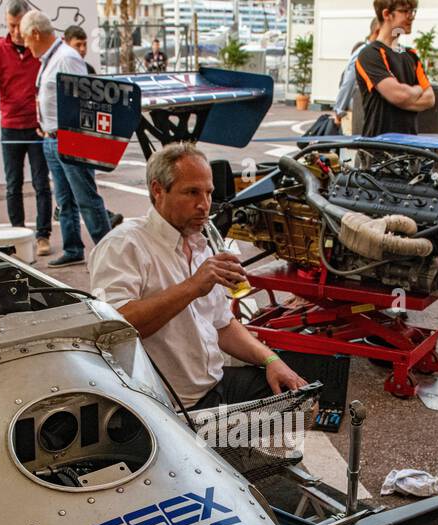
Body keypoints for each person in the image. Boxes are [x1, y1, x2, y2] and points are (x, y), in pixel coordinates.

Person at [89, 142, 307, 409]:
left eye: (208, 193)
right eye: (191, 193)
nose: (204, 205)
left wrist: (272, 361)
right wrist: (193, 286)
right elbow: (115, 329)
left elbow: (223, 325)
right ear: (158, 190)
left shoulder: (197, 243)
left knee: (299, 398)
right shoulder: (125, 245)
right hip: (164, 406)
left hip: (212, 387)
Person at [22, 10, 115, 268]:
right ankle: (73, 247)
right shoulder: (51, 59)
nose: (26, 45)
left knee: (85, 197)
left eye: (26, 39)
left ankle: (110, 254)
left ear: (36, 34)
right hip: (53, 137)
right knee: (64, 199)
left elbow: (84, 100)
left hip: (69, 138)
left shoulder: (67, 58)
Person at [0, 0, 53, 257]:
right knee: (13, 185)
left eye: (19, 26)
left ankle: (43, 236)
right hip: (10, 127)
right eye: (11, 26)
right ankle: (18, 234)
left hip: (38, 128)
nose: (16, 31)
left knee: (42, 184)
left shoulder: (39, 50)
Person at [63, 25, 125, 230]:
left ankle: (105, 231)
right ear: (67, 43)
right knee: (67, 196)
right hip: (68, 136)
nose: (82, 49)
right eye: (77, 45)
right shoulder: (66, 65)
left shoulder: (87, 69)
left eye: (84, 44)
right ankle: (73, 246)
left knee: (86, 193)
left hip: (83, 138)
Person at [354, 0, 434, 138]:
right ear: (386, 14)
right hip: (379, 151)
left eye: (413, 11)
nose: (411, 16)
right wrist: (418, 89)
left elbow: (430, 99)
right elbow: (398, 95)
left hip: (410, 149)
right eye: (405, 11)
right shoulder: (370, 55)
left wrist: (403, 99)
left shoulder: (411, 55)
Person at [334, 18, 380, 135]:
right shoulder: (363, 53)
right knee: (352, 149)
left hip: (371, 114)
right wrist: (339, 110)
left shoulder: (380, 52)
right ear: (377, 31)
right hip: (356, 112)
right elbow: (348, 83)